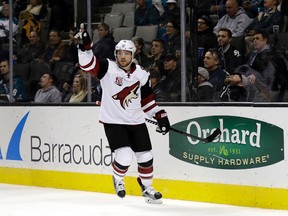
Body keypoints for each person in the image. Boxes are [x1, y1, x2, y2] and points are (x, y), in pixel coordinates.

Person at [77, 31, 170, 203]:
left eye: (126, 53)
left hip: (136, 121)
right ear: (115, 55)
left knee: (146, 156)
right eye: (119, 53)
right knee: (125, 155)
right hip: (113, 122)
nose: (122, 56)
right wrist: (85, 48)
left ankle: (147, 188)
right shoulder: (107, 68)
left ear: (132, 55)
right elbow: (87, 65)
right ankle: (118, 180)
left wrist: (160, 115)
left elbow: (147, 100)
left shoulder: (142, 74)